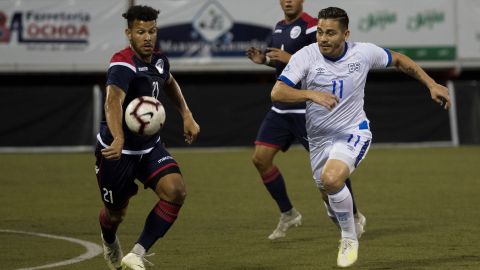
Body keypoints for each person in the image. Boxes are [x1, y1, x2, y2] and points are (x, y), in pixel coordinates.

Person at [271, 6, 450, 267]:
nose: (323, 38)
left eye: (330, 33)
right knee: (328, 194)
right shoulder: (305, 56)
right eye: (320, 32)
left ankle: (349, 238)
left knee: (331, 179)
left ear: (346, 34)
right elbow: (278, 92)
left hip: (353, 131)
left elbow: (399, 60)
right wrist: (311, 94)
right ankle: (350, 220)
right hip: (319, 139)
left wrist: (431, 83)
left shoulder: (363, 53)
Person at [246, 0, 364, 241]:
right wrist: (266, 61)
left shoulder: (313, 27)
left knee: (330, 171)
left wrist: (287, 57)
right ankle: (288, 213)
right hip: (281, 108)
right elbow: (284, 69)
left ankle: (353, 215)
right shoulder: (279, 27)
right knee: (260, 159)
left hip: (308, 109)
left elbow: (322, 63)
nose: (288, 1)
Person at [95, 5, 200, 270]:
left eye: (152, 31)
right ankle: (109, 241)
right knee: (115, 213)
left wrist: (186, 114)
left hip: (149, 147)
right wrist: (118, 137)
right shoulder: (122, 64)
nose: (147, 37)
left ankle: (137, 253)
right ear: (128, 33)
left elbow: (169, 83)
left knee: (176, 191)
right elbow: (113, 102)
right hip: (117, 151)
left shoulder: (160, 60)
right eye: (140, 32)